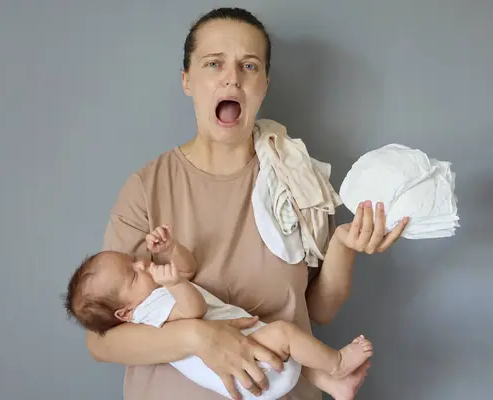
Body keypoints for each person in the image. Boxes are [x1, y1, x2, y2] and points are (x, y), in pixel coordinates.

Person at [84, 6, 409, 400]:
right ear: (187, 80)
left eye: (249, 66)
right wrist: (199, 336)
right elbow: (102, 342)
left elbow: (319, 311)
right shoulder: (146, 187)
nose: (232, 78)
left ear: (264, 84)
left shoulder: (298, 179)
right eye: (213, 63)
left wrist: (343, 244)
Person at [65, 225, 375, 400]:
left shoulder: (153, 288)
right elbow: (193, 309)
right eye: (133, 274)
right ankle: (337, 365)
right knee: (285, 333)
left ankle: (334, 385)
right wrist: (173, 283)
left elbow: (188, 269)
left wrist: (171, 250)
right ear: (125, 313)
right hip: (246, 373)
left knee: (290, 347)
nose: (142, 264)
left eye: (134, 259)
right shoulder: (150, 311)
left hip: (253, 358)